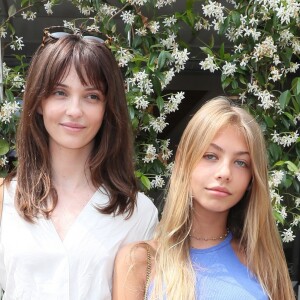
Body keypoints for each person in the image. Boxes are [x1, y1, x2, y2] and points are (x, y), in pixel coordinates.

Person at [0, 26, 158, 300]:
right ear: (39, 101)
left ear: (107, 108)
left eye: (91, 96)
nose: (74, 111)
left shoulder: (138, 213)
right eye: (60, 93)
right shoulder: (5, 199)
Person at [113, 96, 295, 300]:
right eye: (211, 156)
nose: (225, 172)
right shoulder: (140, 260)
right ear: (183, 161)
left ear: (252, 178)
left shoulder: (262, 260)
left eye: (241, 163)